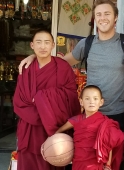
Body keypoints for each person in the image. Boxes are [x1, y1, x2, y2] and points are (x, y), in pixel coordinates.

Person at [18, 1, 124, 169]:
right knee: (88, 162)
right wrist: (34, 57)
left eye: (107, 14)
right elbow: (61, 63)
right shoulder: (87, 43)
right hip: (91, 115)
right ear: (94, 18)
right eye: (99, 14)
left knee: (116, 162)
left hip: (118, 115)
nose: (103, 18)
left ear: (116, 18)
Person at [13, 29, 81, 170]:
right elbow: (19, 101)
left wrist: (40, 98)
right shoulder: (26, 69)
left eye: (46, 42)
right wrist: (44, 109)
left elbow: (71, 98)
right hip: (29, 130)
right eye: (38, 42)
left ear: (53, 45)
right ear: (32, 45)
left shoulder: (63, 68)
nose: (42, 46)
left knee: (50, 163)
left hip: (52, 130)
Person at [54, 85, 124, 170]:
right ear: (81, 101)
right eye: (87, 99)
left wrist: (108, 165)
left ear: (101, 102)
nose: (91, 102)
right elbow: (59, 131)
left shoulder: (105, 122)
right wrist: (52, 143)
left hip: (96, 164)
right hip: (78, 163)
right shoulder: (76, 120)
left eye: (95, 99)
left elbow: (109, 145)